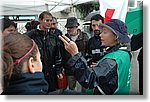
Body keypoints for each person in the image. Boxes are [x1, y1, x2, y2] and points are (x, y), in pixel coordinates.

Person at [59, 19, 131, 95]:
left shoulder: (112, 60)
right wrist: (100, 66)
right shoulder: (124, 53)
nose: (100, 35)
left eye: (105, 32)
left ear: (116, 36)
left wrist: (75, 54)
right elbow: (113, 72)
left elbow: (89, 80)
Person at [25, 11, 63, 92]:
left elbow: (57, 55)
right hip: (37, 71)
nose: (49, 23)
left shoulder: (54, 37)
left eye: (50, 20)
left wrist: (58, 70)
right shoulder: (31, 35)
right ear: (40, 20)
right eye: (47, 20)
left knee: (52, 93)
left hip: (51, 72)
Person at [62, 17, 89, 90]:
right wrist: (62, 67)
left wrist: (87, 63)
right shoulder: (64, 38)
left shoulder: (85, 36)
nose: (68, 29)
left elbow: (88, 51)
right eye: (67, 27)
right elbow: (62, 54)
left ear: (76, 27)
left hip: (82, 67)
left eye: (71, 27)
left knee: (84, 88)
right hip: (69, 68)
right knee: (71, 89)